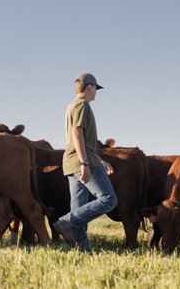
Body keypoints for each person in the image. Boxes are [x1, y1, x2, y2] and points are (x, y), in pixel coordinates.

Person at [52, 72, 118, 251]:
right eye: (96, 88)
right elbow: (77, 133)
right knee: (109, 199)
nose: (96, 92)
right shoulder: (82, 105)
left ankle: (82, 250)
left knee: (79, 207)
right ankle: (66, 222)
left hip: (72, 161)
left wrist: (99, 159)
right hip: (82, 161)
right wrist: (85, 163)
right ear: (89, 87)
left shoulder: (71, 105)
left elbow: (83, 141)